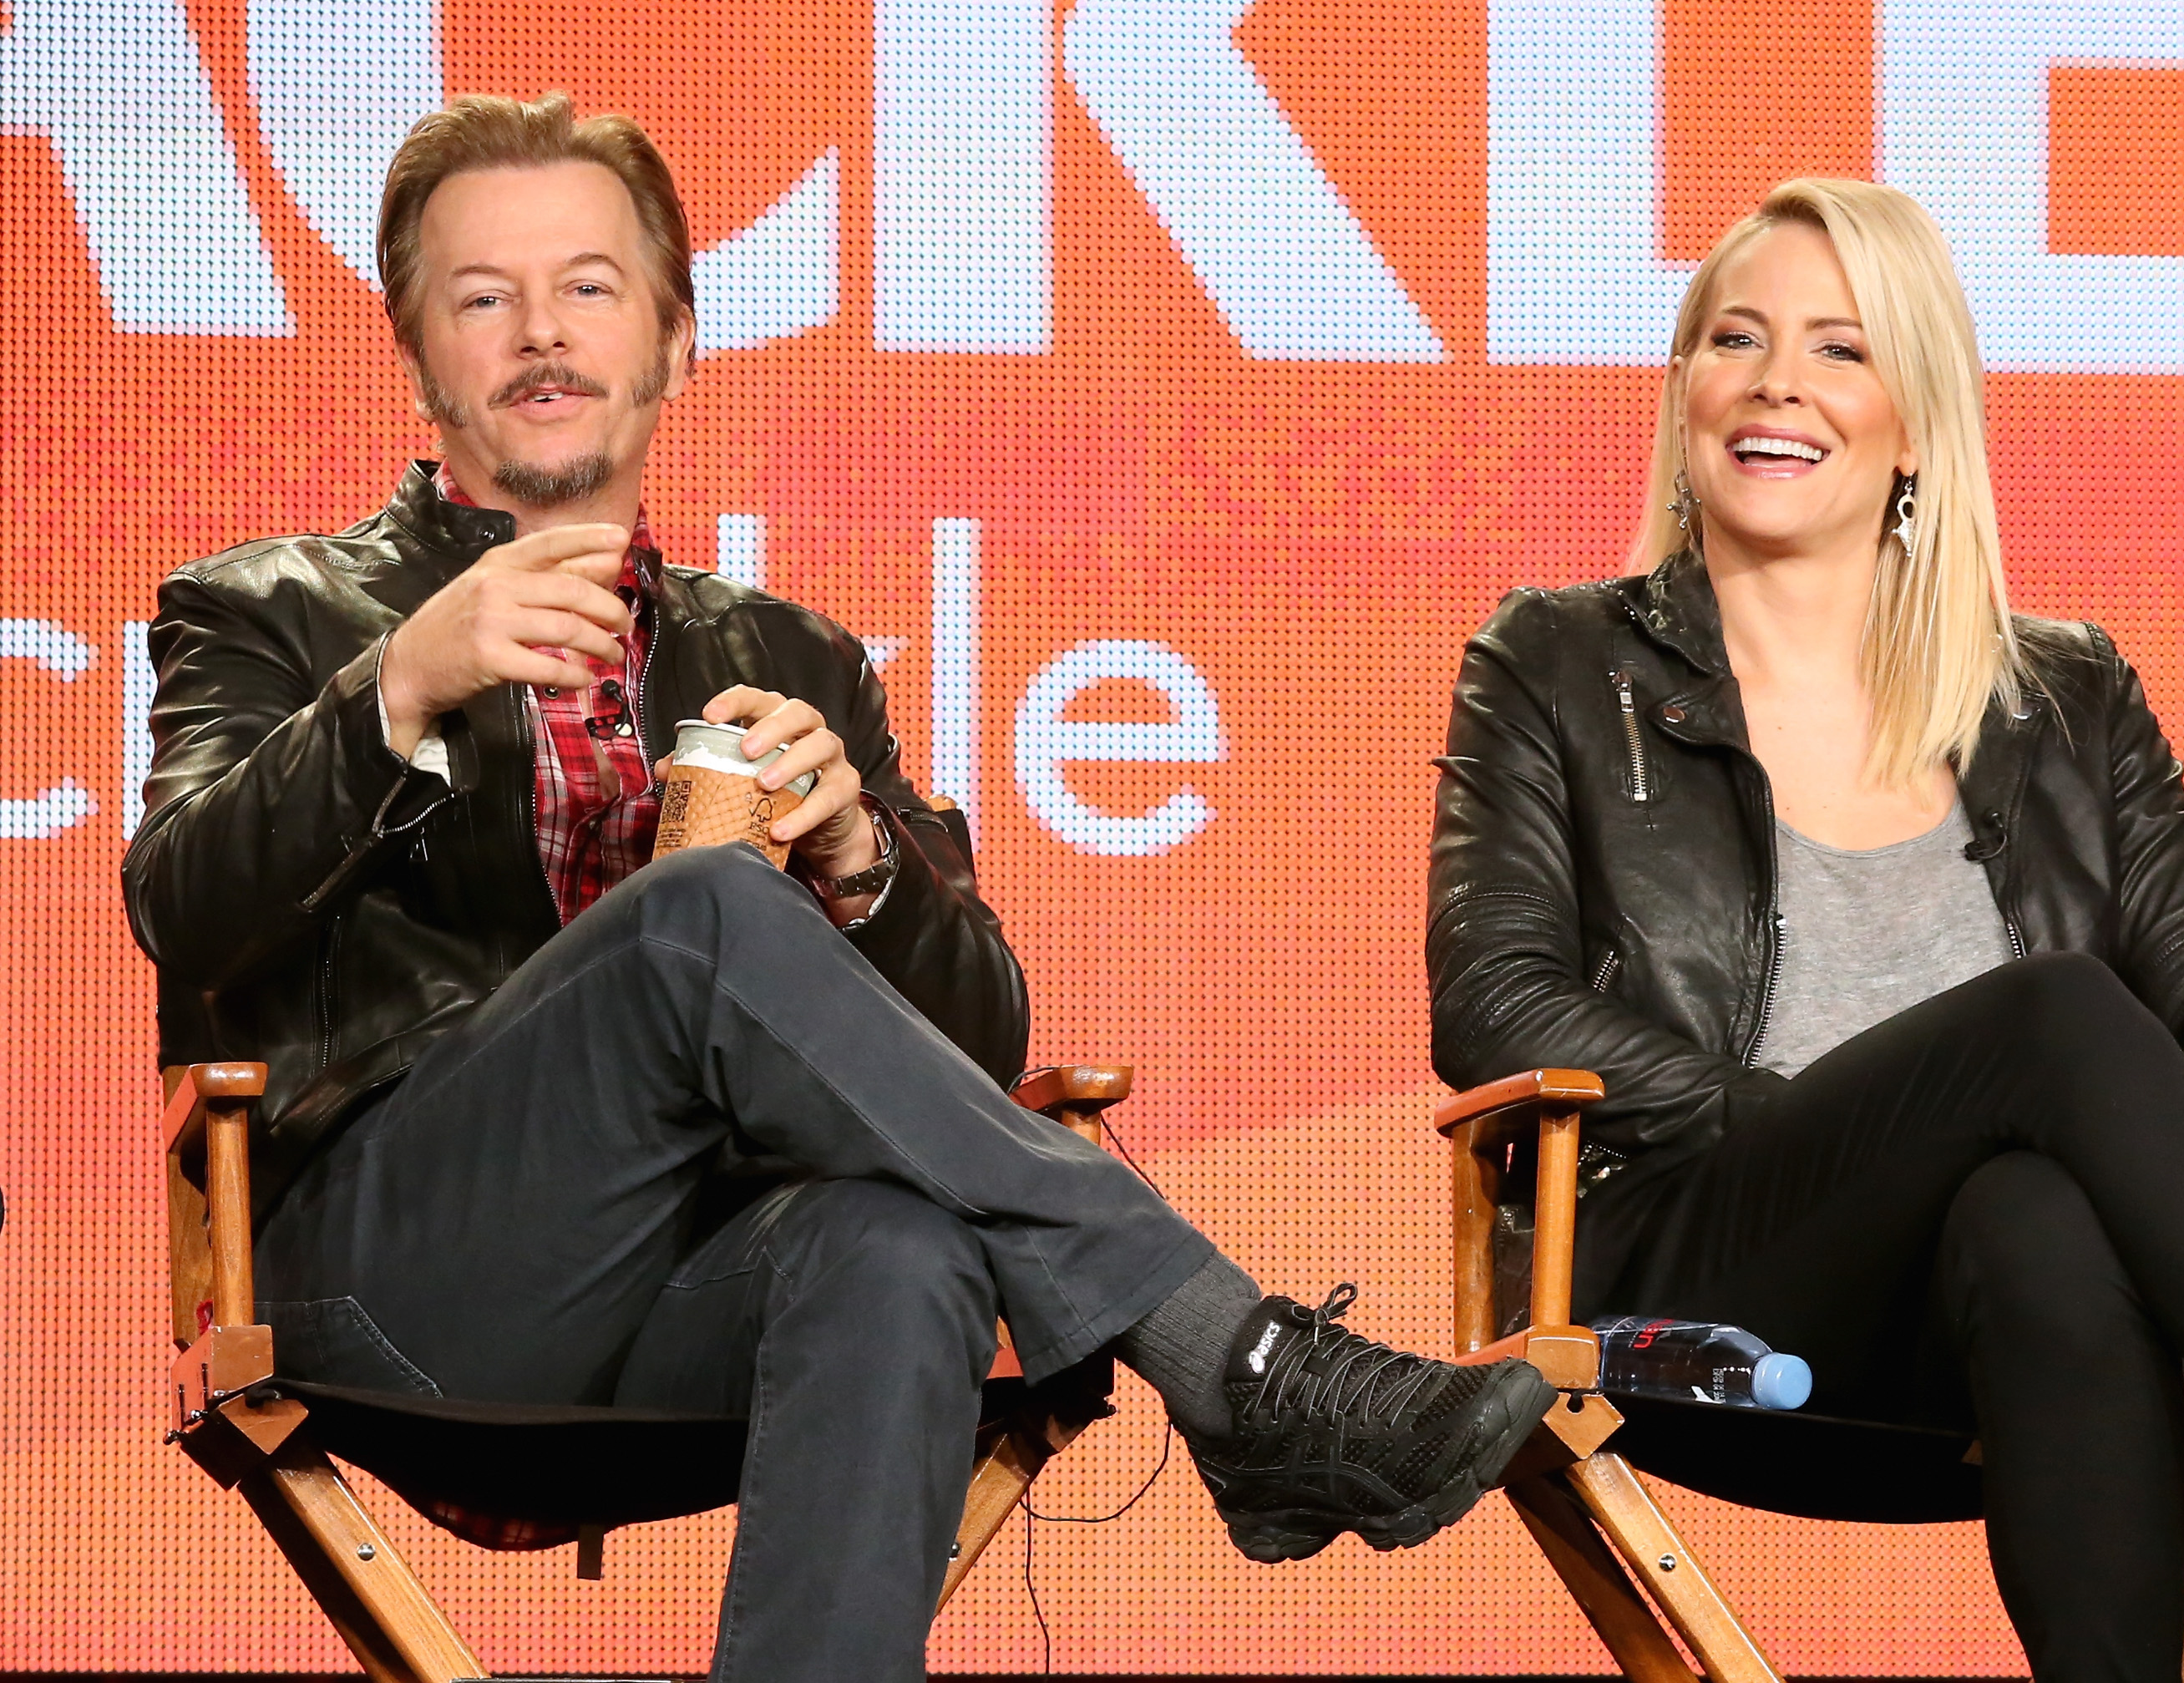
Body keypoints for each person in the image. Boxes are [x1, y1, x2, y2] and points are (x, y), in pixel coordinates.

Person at [123, 91, 1553, 1683]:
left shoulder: (794, 658)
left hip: (689, 1287)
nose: (541, 333)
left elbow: (980, 1043)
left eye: (590, 287)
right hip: (399, 1283)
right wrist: (398, 685)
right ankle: (1236, 1357)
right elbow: (182, 907)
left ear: (677, 343)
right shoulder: (267, 611)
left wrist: (864, 861)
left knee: (897, 1247)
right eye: (483, 297)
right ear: (416, 362)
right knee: (696, 912)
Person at [1427, 177, 2184, 1680]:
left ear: (1919, 424)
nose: (1775, 381)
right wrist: (1817, 1119)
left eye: (1840, 349)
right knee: (2051, 1014)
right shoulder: (1553, 658)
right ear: (1683, 389)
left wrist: (2145, 1149)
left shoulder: (2065, 693)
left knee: (2041, 1210)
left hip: (1984, 1310)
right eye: (1734, 338)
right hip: (1695, 1268)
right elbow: (1496, 996)